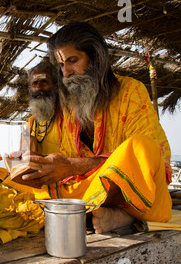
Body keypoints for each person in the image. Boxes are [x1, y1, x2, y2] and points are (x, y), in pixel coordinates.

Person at [14, 21, 172, 233]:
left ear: (97, 57)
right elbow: (69, 166)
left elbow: (151, 159)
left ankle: (124, 212)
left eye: (73, 60)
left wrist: (71, 166)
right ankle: (107, 212)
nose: (67, 72)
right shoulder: (66, 107)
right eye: (61, 65)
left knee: (140, 146)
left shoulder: (131, 91)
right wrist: (38, 168)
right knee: (2, 180)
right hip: (88, 188)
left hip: (131, 193)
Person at [23, 61, 61, 155]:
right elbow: (25, 158)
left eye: (44, 82)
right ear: (29, 89)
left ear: (56, 87)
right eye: (34, 83)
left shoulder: (68, 118)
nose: (39, 88)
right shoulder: (30, 122)